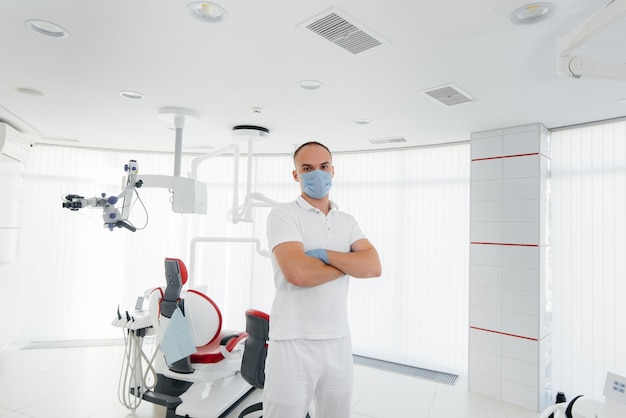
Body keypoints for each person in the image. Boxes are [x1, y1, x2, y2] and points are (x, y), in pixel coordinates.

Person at [263, 141, 382, 418]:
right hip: (293, 340)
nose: (317, 174)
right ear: (296, 175)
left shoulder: (347, 220)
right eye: (307, 168)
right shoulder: (284, 214)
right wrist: (348, 263)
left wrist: (324, 256)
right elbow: (299, 274)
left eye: (323, 167)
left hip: (338, 339)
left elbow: (373, 266)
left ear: (332, 170)